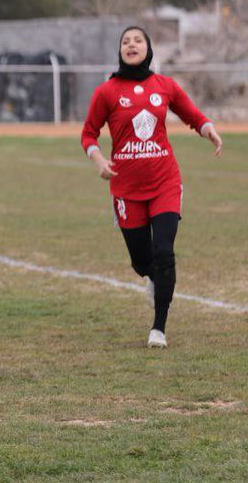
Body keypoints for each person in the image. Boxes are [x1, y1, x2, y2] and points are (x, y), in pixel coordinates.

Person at [81, 25, 223, 348]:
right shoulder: (107, 92)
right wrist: (99, 160)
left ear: (148, 48)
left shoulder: (164, 85)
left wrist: (208, 129)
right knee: (141, 260)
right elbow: (88, 133)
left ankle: (158, 327)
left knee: (164, 251)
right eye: (126, 41)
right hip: (126, 188)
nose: (132, 45)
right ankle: (149, 276)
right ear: (120, 51)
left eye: (138, 41)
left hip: (165, 182)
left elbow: (190, 113)